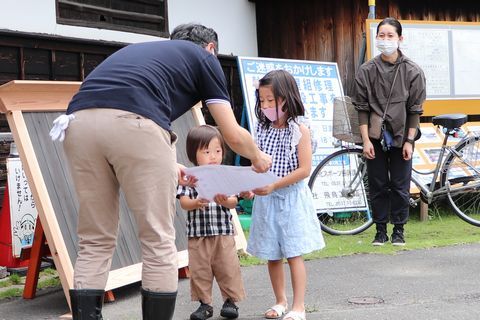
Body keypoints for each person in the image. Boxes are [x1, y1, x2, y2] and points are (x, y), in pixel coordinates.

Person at [50, 23, 271, 320]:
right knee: (157, 239)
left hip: (76, 124)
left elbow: (115, 122)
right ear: (211, 48)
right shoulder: (204, 58)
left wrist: (170, 164)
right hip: (136, 121)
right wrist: (257, 158)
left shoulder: (140, 52)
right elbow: (231, 134)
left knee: (95, 239)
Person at [245, 70, 325, 320]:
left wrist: (274, 185)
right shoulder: (261, 129)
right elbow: (257, 164)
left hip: (291, 198)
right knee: (272, 253)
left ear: (287, 98)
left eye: (271, 100)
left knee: (293, 252)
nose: (266, 105)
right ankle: (280, 301)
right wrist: (250, 184)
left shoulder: (300, 129)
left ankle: (298, 306)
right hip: (266, 198)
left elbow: (304, 170)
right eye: (262, 100)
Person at [352, 17, 426, 246]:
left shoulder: (413, 71)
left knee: (400, 185)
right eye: (381, 36)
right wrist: (365, 141)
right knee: (378, 183)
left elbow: (415, 110)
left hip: (403, 135)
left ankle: (399, 230)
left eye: (390, 36)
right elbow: (361, 109)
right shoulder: (366, 70)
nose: (385, 40)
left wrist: (409, 141)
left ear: (400, 39)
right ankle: (380, 230)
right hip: (374, 135)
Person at [177, 125, 245, 320]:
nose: (213, 156)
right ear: (193, 154)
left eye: (217, 151)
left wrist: (227, 201)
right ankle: (205, 304)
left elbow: (233, 201)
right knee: (200, 271)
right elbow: (184, 203)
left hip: (222, 232)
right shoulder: (188, 178)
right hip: (197, 234)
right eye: (206, 152)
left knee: (228, 267)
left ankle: (231, 302)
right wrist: (196, 202)